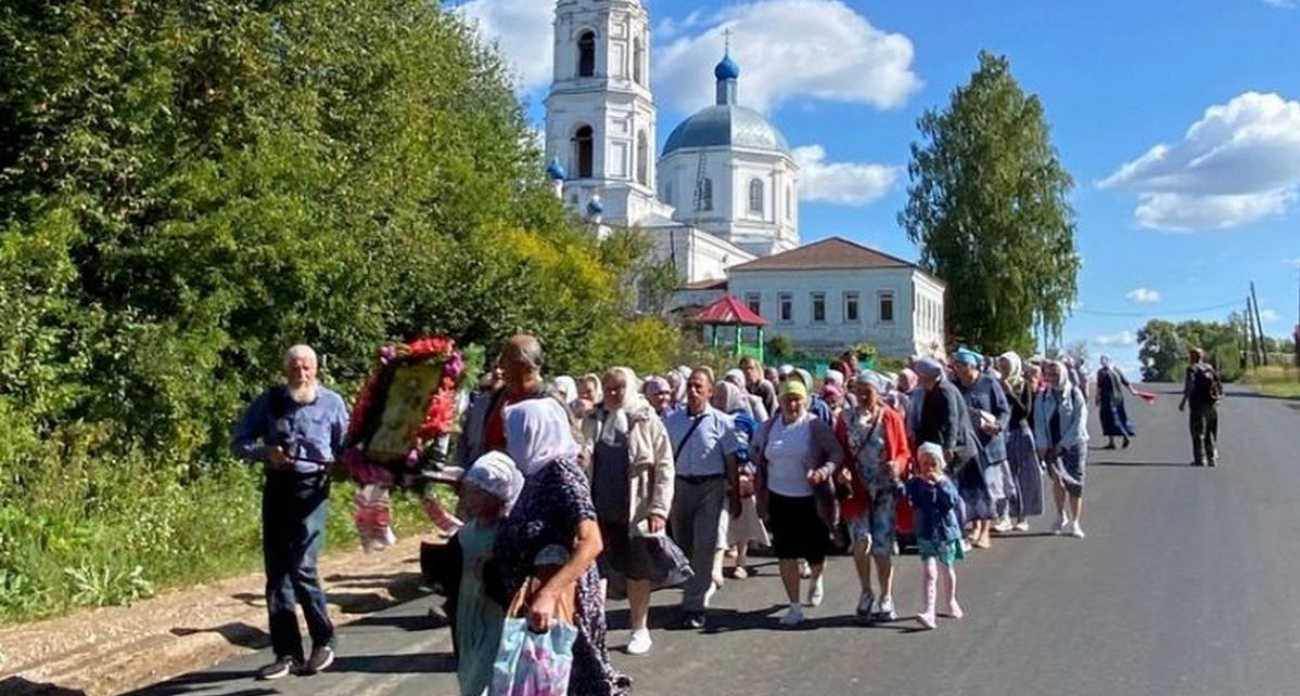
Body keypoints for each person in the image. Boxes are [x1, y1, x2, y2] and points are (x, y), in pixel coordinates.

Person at [494, 398, 631, 696]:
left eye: (514, 431)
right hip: (537, 607)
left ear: (533, 431)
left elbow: (591, 541)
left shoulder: (561, 473)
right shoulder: (536, 474)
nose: (508, 439)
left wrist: (549, 593)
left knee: (568, 683)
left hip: (561, 608)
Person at [232, 345, 348, 680]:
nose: (302, 374)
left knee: (303, 566)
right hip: (278, 487)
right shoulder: (269, 400)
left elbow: (346, 449)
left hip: (313, 489)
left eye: (307, 367)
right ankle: (286, 652)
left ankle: (324, 640)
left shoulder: (333, 402)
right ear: (286, 371)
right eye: (295, 368)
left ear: (317, 370)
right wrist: (265, 452)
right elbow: (239, 441)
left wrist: (343, 465)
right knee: (278, 571)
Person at [580, 368, 674, 656]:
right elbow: (580, 454)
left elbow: (665, 465)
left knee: (637, 572)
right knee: (594, 573)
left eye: (620, 388)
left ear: (630, 389)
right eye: (608, 388)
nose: (613, 393)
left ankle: (639, 629)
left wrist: (659, 508)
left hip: (635, 511)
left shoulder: (645, 419)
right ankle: (594, 631)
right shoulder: (593, 418)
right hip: (597, 511)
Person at [752, 379, 844, 627]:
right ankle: (794, 606)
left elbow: (837, 454)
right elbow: (757, 451)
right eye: (787, 399)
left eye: (797, 399)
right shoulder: (769, 426)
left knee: (815, 552)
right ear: (780, 402)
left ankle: (816, 577)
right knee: (786, 552)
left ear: (805, 400)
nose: (792, 404)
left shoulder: (815, 426)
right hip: (779, 497)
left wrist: (823, 472)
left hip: (811, 499)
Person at [664, 370, 742, 630]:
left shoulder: (723, 422)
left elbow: (731, 460)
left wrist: (735, 494)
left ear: (710, 392)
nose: (694, 391)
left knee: (704, 544)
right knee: (683, 545)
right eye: (690, 386)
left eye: (699, 387)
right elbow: (663, 458)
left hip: (711, 487)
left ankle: (694, 606)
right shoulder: (672, 421)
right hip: (680, 486)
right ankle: (691, 590)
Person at [837, 370, 910, 622]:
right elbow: (839, 452)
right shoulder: (845, 418)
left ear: (878, 392)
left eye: (868, 391)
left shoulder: (891, 417)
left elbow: (903, 451)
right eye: (859, 391)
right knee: (861, 540)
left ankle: (886, 595)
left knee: (882, 546)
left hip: (884, 491)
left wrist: (897, 465)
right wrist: (842, 470)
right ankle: (866, 591)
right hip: (857, 491)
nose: (863, 395)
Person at [454, 452, 523, 696]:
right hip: (469, 611)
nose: (470, 499)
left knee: (491, 671)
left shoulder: (507, 535)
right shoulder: (465, 534)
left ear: (499, 493)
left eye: (478, 492)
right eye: (468, 491)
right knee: (470, 670)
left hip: (497, 616)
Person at [913, 358, 983, 548]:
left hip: (954, 450)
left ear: (931, 376)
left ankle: (956, 536)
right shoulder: (932, 391)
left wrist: (949, 447)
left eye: (921, 375)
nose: (918, 379)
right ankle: (946, 535)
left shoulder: (944, 390)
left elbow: (951, 420)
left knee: (950, 493)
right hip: (939, 449)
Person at [456, 334, 549, 470]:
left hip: (527, 485)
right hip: (489, 481)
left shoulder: (547, 398)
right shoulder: (499, 395)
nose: (500, 364)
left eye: (506, 359)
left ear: (522, 365)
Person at [951, 349, 1011, 547]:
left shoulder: (989, 383)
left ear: (972, 366)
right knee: (972, 488)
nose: (957, 369)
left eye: (961, 365)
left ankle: (985, 531)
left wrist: (998, 426)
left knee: (987, 489)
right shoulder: (955, 386)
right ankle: (975, 528)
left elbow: (1003, 410)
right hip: (967, 445)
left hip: (989, 445)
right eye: (956, 365)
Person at [712, 381, 770, 580]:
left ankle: (741, 561)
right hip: (718, 473)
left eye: (723, 396)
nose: (719, 400)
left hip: (743, 474)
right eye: (716, 396)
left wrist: (751, 469)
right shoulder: (711, 418)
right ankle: (716, 565)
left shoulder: (745, 420)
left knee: (742, 516)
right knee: (719, 519)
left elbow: (756, 446)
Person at [906, 443, 965, 630]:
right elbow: (907, 496)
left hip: (945, 532)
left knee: (947, 567)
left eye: (933, 464)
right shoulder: (916, 483)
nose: (928, 468)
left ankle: (951, 601)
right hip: (926, 532)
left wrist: (939, 484)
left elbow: (951, 502)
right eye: (924, 464)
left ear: (939, 465)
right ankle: (929, 612)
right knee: (930, 572)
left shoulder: (946, 482)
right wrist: (898, 481)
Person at [1034, 361, 1090, 539]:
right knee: (1057, 480)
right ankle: (1060, 514)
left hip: (1074, 444)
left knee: (1075, 483)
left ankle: (1075, 522)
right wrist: (1043, 445)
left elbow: (1079, 422)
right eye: (1049, 375)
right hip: (1052, 445)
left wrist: (1064, 444)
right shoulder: (1042, 397)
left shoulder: (1075, 394)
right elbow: (1039, 422)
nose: (1052, 378)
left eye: (1055, 375)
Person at [997, 352, 1043, 532]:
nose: (1004, 370)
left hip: (1020, 433)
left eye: (1007, 366)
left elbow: (1025, 412)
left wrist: (1011, 394)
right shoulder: (996, 384)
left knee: (1022, 476)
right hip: (1002, 433)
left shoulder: (1023, 385)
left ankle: (1022, 517)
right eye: (1001, 366)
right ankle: (1004, 515)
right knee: (1004, 476)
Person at [1180, 348, 1223, 467]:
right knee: (1210, 431)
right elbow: (1218, 383)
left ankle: (1200, 458)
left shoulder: (1191, 369)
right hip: (1211, 403)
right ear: (1202, 356)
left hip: (1198, 404)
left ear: (1191, 357)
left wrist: (1183, 401)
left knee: (1198, 432)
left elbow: (1190, 386)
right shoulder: (1209, 367)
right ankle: (1212, 458)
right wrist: (1218, 397)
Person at [1095, 355, 1138, 449]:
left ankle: (1112, 442)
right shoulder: (1116, 370)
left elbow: (1099, 386)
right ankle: (1125, 436)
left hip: (1107, 399)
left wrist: (1097, 398)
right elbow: (1126, 382)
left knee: (1108, 420)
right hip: (1119, 399)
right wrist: (1133, 391)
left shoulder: (1102, 372)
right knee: (1121, 417)